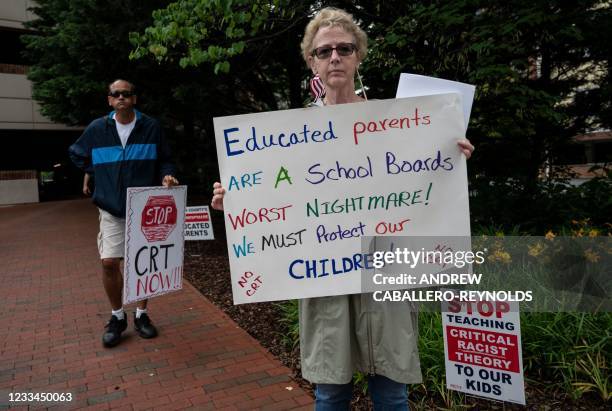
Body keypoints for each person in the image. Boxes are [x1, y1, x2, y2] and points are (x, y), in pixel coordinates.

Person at [212, 8, 474, 410]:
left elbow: (420, 185)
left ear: (358, 56)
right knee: (330, 393)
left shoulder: (398, 123)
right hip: (325, 278)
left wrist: (451, 158)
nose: (334, 57)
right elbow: (275, 198)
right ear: (312, 60)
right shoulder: (288, 135)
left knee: (392, 391)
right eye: (324, 51)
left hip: (385, 271)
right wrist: (235, 200)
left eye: (344, 48)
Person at [69, 79, 179, 348]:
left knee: (143, 262)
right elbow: (77, 154)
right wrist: (98, 174)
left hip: (144, 206)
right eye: (116, 94)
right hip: (111, 206)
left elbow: (166, 158)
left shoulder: (150, 127)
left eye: (126, 94)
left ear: (134, 99)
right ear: (109, 100)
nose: (121, 98)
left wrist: (168, 175)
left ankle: (141, 314)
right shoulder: (98, 128)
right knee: (109, 262)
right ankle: (117, 317)